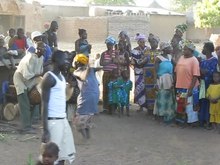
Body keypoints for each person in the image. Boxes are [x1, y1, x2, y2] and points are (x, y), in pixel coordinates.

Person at [41, 50, 76, 164]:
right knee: (52, 159)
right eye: (64, 59)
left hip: (62, 120)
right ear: (56, 61)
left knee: (61, 156)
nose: (67, 62)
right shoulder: (49, 77)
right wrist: (45, 129)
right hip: (53, 122)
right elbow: (44, 104)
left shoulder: (61, 77)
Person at [13, 41, 45, 133]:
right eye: (43, 49)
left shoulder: (41, 58)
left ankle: (30, 123)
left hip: (31, 79)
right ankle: (26, 126)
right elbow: (27, 75)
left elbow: (39, 72)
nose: (44, 51)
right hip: (20, 79)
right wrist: (38, 75)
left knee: (35, 100)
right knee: (25, 102)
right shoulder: (30, 58)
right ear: (38, 49)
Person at [73, 54, 101, 139]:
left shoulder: (76, 72)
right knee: (88, 117)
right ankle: (88, 137)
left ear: (77, 63)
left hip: (86, 96)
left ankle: (85, 139)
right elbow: (99, 68)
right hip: (96, 94)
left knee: (78, 121)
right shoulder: (91, 69)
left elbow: (78, 79)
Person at [175, 40, 200, 125]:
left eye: (186, 49)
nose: (184, 51)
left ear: (191, 51)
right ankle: (182, 121)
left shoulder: (194, 60)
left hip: (189, 87)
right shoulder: (181, 58)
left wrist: (190, 89)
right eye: (184, 49)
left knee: (189, 104)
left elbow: (195, 75)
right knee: (181, 103)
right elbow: (176, 70)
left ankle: (192, 122)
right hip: (180, 86)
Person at [154, 42, 175, 123]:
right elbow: (155, 71)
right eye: (169, 48)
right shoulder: (158, 58)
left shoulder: (170, 57)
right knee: (161, 97)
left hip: (169, 79)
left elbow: (176, 65)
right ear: (164, 49)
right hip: (162, 79)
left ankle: (168, 114)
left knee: (169, 97)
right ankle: (160, 115)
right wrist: (155, 82)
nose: (170, 49)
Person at [199, 42, 218, 128]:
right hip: (202, 84)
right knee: (203, 101)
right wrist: (203, 71)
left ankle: (208, 121)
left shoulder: (214, 60)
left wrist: (203, 71)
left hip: (210, 85)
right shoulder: (202, 61)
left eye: (204, 47)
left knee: (209, 102)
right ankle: (202, 120)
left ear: (209, 49)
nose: (203, 49)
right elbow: (200, 72)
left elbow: (212, 72)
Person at [130, 33, 149, 112]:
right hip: (138, 72)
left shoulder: (147, 49)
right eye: (141, 42)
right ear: (138, 42)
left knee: (147, 89)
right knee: (139, 89)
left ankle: (148, 106)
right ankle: (141, 106)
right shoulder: (134, 50)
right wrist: (140, 62)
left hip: (147, 72)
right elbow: (134, 62)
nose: (142, 43)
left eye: (143, 42)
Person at [100, 36, 118, 113]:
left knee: (114, 90)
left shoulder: (116, 53)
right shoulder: (103, 53)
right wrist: (111, 60)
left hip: (114, 74)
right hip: (106, 73)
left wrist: (112, 61)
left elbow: (118, 61)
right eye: (108, 44)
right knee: (105, 90)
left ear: (113, 44)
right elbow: (101, 63)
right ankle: (105, 108)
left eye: (110, 44)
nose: (109, 45)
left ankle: (113, 108)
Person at [145, 33, 160, 114]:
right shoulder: (146, 52)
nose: (153, 44)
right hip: (148, 75)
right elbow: (142, 61)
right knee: (149, 90)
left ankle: (156, 109)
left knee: (156, 90)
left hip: (157, 74)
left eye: (155, 42)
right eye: (152, 42)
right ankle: (149, 109)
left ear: (158, 43)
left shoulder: (160, 52)